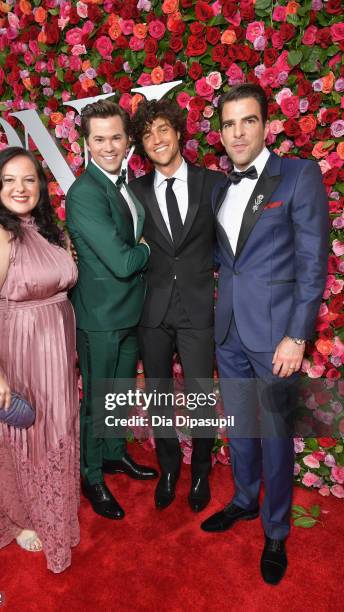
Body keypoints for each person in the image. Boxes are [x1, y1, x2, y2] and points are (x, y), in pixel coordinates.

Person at [200, 84, 329, 585]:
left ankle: (276, 528)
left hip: (276, 336)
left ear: (265, 125)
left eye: (247, 121)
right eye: (229, 124)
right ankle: (242, 500)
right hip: (228, 330)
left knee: (275, 433)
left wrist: (297, 337)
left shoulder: (297, 174)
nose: (237, 132)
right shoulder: (217, 187)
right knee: (240, 426)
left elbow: (312, 262)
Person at [0, 146, 80, 574]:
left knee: (52, 430)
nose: (20, 188)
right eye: (9, 180)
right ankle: (20, 518)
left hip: (53, 348)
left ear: (41, 186)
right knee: (18, 435)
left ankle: (47, 508)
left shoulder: (49, 230)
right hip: (13, 348)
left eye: (29, 179)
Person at [66, 100, 158, 521]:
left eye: (116, 137)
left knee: (118, 396)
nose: (108, 146)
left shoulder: (123, 183)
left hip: (129, 313)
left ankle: (114, 455)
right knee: (98, 401)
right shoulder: (84, 192)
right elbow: (122, 262)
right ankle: (91, 475)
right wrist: (145, 249)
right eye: (99, 139)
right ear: (86, 143)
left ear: (128, 140)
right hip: (100, 318)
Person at [130, 100, 222, 512]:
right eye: (148, 136)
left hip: (198, 308)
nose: (157, 140)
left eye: (163, 129)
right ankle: (169, 467)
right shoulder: (135, 193)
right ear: (143, 148)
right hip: (152, 310)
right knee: (160, 394)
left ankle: (201, 469)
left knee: (202, 395)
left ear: (179, 133)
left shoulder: (212, 183)